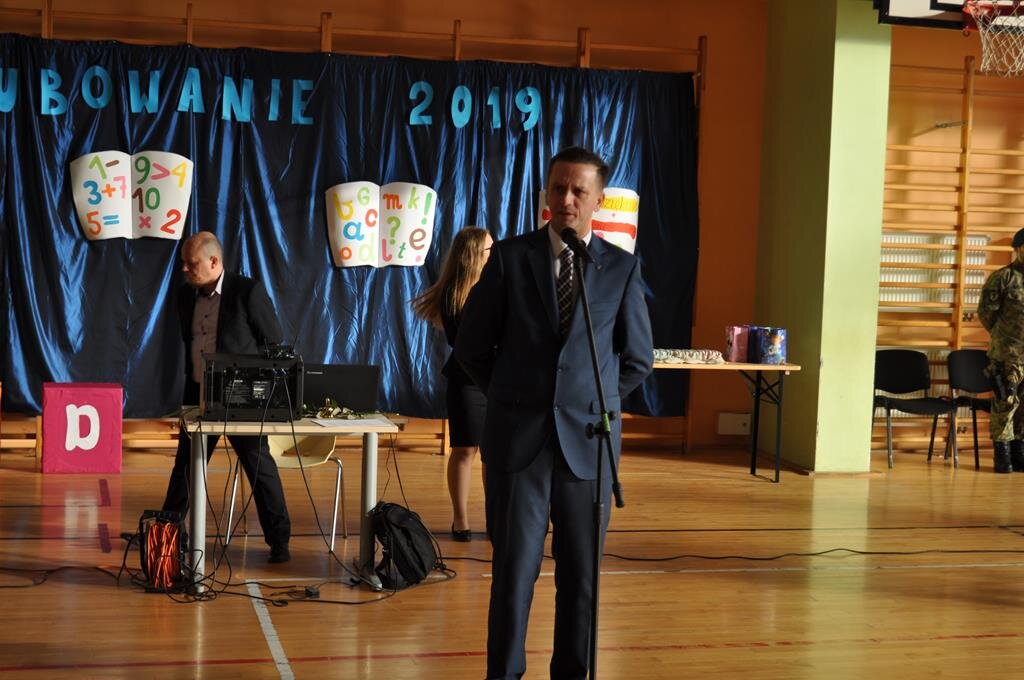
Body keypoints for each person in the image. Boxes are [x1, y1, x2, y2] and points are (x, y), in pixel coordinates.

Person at [455, 147, 653, 679]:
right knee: (513, 575)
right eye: (558, 188)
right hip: (518, 444)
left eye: (578, 191)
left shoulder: (621, 269)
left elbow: (637, 359)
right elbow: (471, 348)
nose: (566, 199)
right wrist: (512, 397)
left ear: (598, 200)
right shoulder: (509, 258)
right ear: (546, 192)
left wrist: (590, 402)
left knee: (581, 580)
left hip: (588, 447)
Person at [161, 231, 293, 563]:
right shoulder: (185, 296)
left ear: (214, 261)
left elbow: (274, 340)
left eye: (191, 264)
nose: (185, 269)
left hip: (240, 399)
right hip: (198, 396)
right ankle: (167, 533)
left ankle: (279, 541)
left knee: (258, 465)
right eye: (184, 264)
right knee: (186, 466)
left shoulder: (247, 291)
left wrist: (254, 387)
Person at [411, 226, 493, 541]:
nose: (494, 255)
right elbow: (467, 343)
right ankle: (461, 520)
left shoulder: (495, 287)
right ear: (474, 255)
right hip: (467, 382)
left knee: (493, 455)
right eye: (489, 250)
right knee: (464, 450)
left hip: (496, 382)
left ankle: (494, 519)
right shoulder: (454, 294)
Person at [978, 226, 1024, 474]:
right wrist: (1005, 338)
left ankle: (1019, 453)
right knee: (1005, 403)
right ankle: (1002, 454)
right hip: (1007, 355)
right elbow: (987, 314)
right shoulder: (1003, 278)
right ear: (1018, 249)